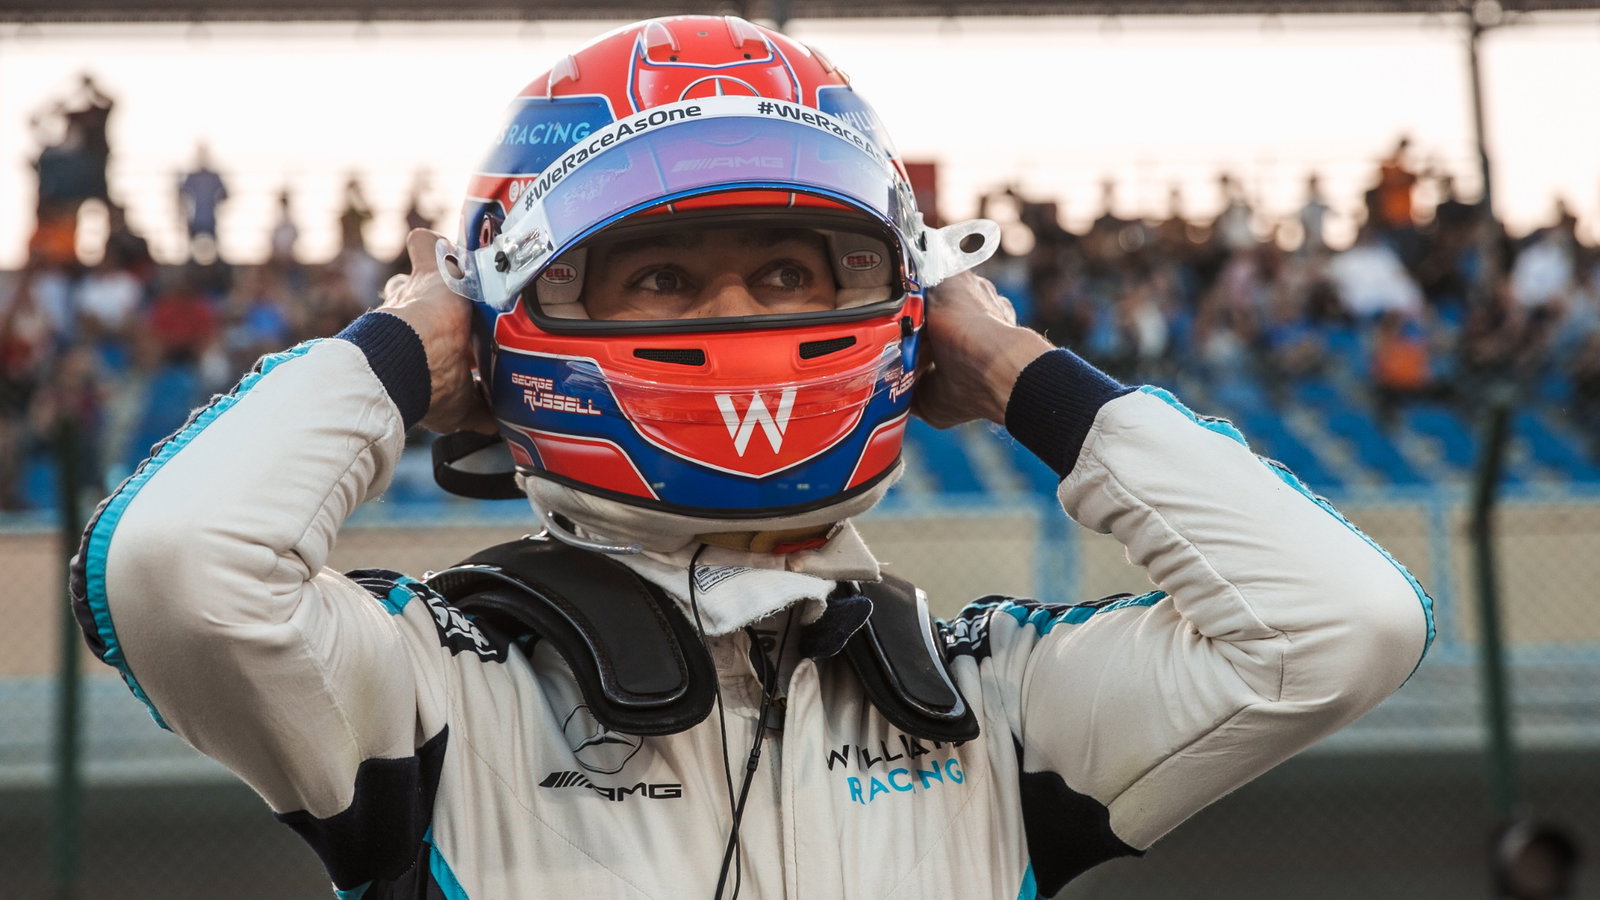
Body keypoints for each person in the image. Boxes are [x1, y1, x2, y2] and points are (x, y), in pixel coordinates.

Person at [71, 16, 1433, 900]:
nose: (737, 317)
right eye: (661, 275)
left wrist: (1017, 367)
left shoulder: (993, 702)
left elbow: (1342, 626)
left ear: (914, 301)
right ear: (504, 322)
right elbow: (174, 569)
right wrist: (401, 349)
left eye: (790, 271)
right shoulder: (424, 689)